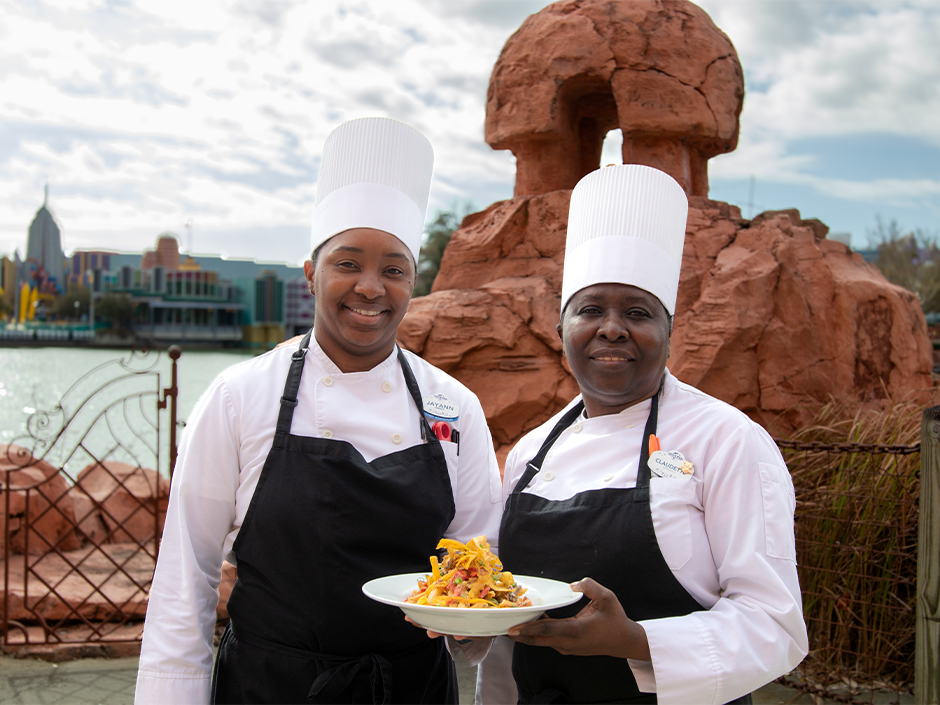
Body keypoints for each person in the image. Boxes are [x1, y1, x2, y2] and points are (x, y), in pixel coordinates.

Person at [135, 117, 503, 705]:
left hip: (412, 688)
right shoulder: (239, 396)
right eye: (348, 263)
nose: (370, 287)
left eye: (393, 270)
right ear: (311, 274)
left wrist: (470, 624)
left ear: (414, 284)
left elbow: (479, 552)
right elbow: (186, 580)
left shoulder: (455, 407)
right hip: (271, 687)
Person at [477, 164, 808, 704]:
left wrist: (636, 641)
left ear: (669, 333)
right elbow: (508, 626)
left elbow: (774, 626)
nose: (612, 327)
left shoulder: (727, 440)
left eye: (637, 311)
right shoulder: (532, 451)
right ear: (561, 331)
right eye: (590, 310)